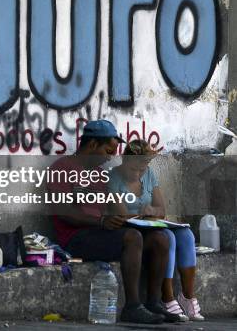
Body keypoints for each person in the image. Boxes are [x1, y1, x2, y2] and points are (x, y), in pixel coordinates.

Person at [48, 120, 179, 324]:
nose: (111, 156)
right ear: (92, 145)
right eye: (108, 150)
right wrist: (101, 221)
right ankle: (132, 306)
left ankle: (154, 303)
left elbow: (109, 209)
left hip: (100, 232)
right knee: (132, 238)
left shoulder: (100, 174)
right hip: (75, 238)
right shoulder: (62, 168)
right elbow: (63, 211)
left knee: (160, 239)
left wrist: (128, 218)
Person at [108, 139, 204, 321]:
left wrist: (152, 211)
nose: (137, 174)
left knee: (187, 235)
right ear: (124, 160)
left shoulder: (149, 175)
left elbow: (161, 210)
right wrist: (143, 216)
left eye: (142, 169)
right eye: (133, 169)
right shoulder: (114, 177)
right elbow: (122, 215)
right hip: (134, 231)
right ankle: (166, 298)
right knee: (167, 237)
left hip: (149, 225)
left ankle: (188, 297)